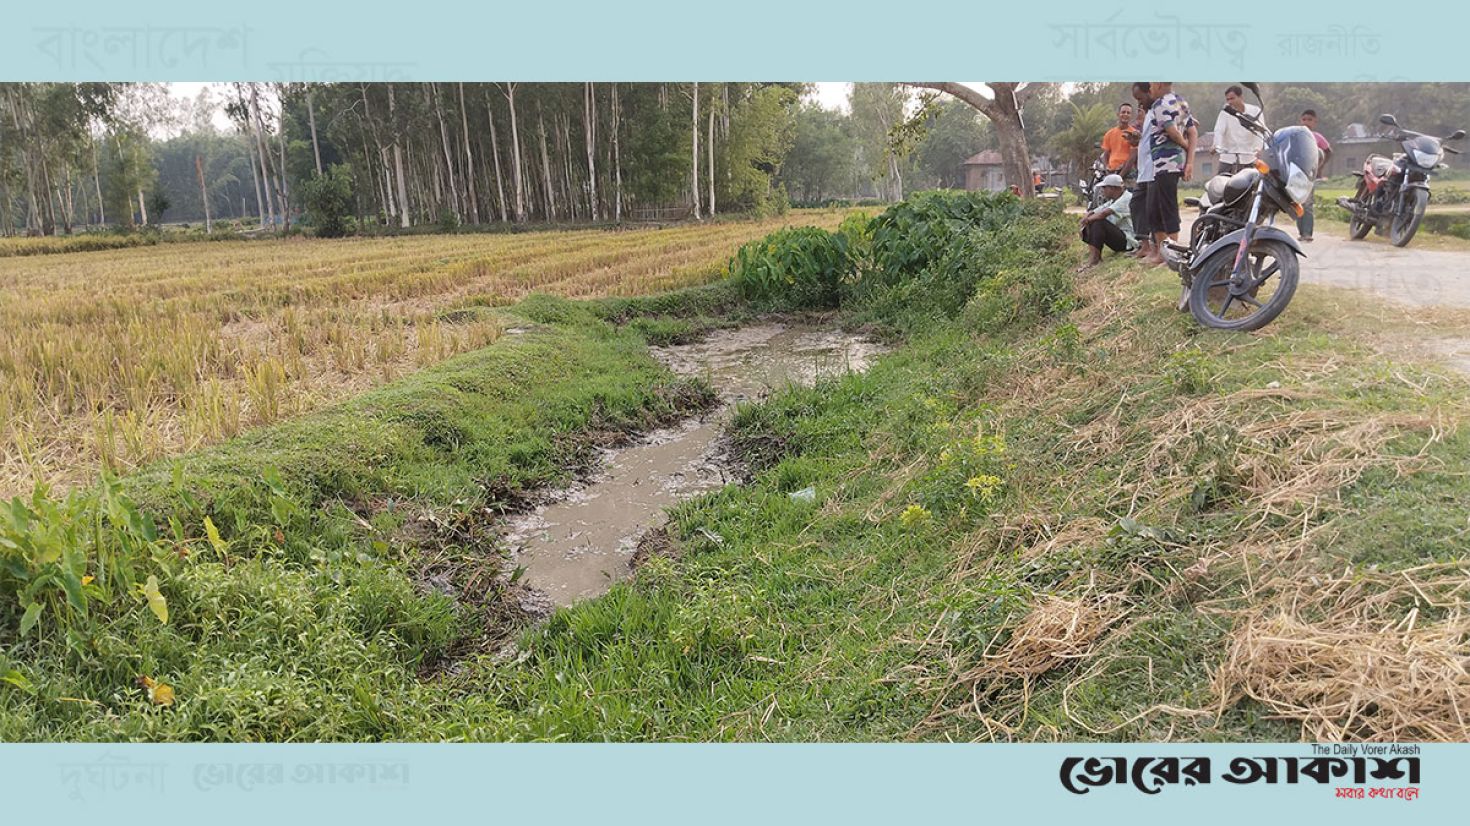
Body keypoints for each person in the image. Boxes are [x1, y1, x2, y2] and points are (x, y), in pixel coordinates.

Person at [1143, 82, 1198, 291]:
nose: (1150, 89)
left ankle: (1171, 255)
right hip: (1162, 166)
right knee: (1155, 209)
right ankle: (1159, 253)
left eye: (1151, 85)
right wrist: (1189, 159)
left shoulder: (1160, 103)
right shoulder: (1182, 101)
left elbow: (1174, 132)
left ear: (1158, 84)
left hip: (1167, 164)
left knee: (1166, 208)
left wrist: (1184, 150)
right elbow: (1192, 132)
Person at [1078, 174, 1135, 269]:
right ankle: (1094, 257)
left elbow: (1103, 214)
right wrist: (1089, 215)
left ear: (1113, 188)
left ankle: (1095, 259)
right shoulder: (1115, 200)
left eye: (1105, 188)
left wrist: (1086, 221)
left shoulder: (1126, 198)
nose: (1103, 191)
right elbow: (1098, 209)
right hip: (1121, 237)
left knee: (1098, 222)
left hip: (1129, 241)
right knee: (1093, 220)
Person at [1128, 82, 1155, 260]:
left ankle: (1158, 248)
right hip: (1144, 171)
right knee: (1136, 204)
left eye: (1140, 99)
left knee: (1153, 208)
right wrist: (1136, 138)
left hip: (1156, 168)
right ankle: (1144, 245)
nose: (1139, 105)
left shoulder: (1159, 110)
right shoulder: (1145, 119)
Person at [1298, 109, 1333, 243]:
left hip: (1310, 174)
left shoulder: (1317, 137)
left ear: (1315, 122)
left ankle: (1307, 233)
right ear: (1300, 121)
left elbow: (1328, 151)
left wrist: (1321, 166)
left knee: (1308, 203)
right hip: (1297, 173)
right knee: (1298, 202)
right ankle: (1301, 232)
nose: (1307, 122)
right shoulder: (1296, 135)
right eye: (1304, 119)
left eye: (1310, 120)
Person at [1213, 85, 1264, 175]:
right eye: (1227, 100)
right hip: (1228, 159)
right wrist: (1216, 145)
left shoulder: (1255, 111)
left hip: (1249, 159)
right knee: (1220, 185)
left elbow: (1260, 132)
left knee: (1256, 184)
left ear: (1241, 97)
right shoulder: (1225, 113)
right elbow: (1219, 131)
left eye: (1232, 98)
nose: (1230, 102)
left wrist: (1258, 149)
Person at [1099, 103, 1137, 178]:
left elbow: (1132, 157)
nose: (1125, 114)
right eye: (1123, 112)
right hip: (1111, 171)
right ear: (1118, 114)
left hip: (1128, 173)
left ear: (1131, 116)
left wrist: (1120, 176)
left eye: (1128, 113)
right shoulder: (1109, 133)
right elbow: (1105, 154)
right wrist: (1107, 168)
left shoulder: (1134, 134)